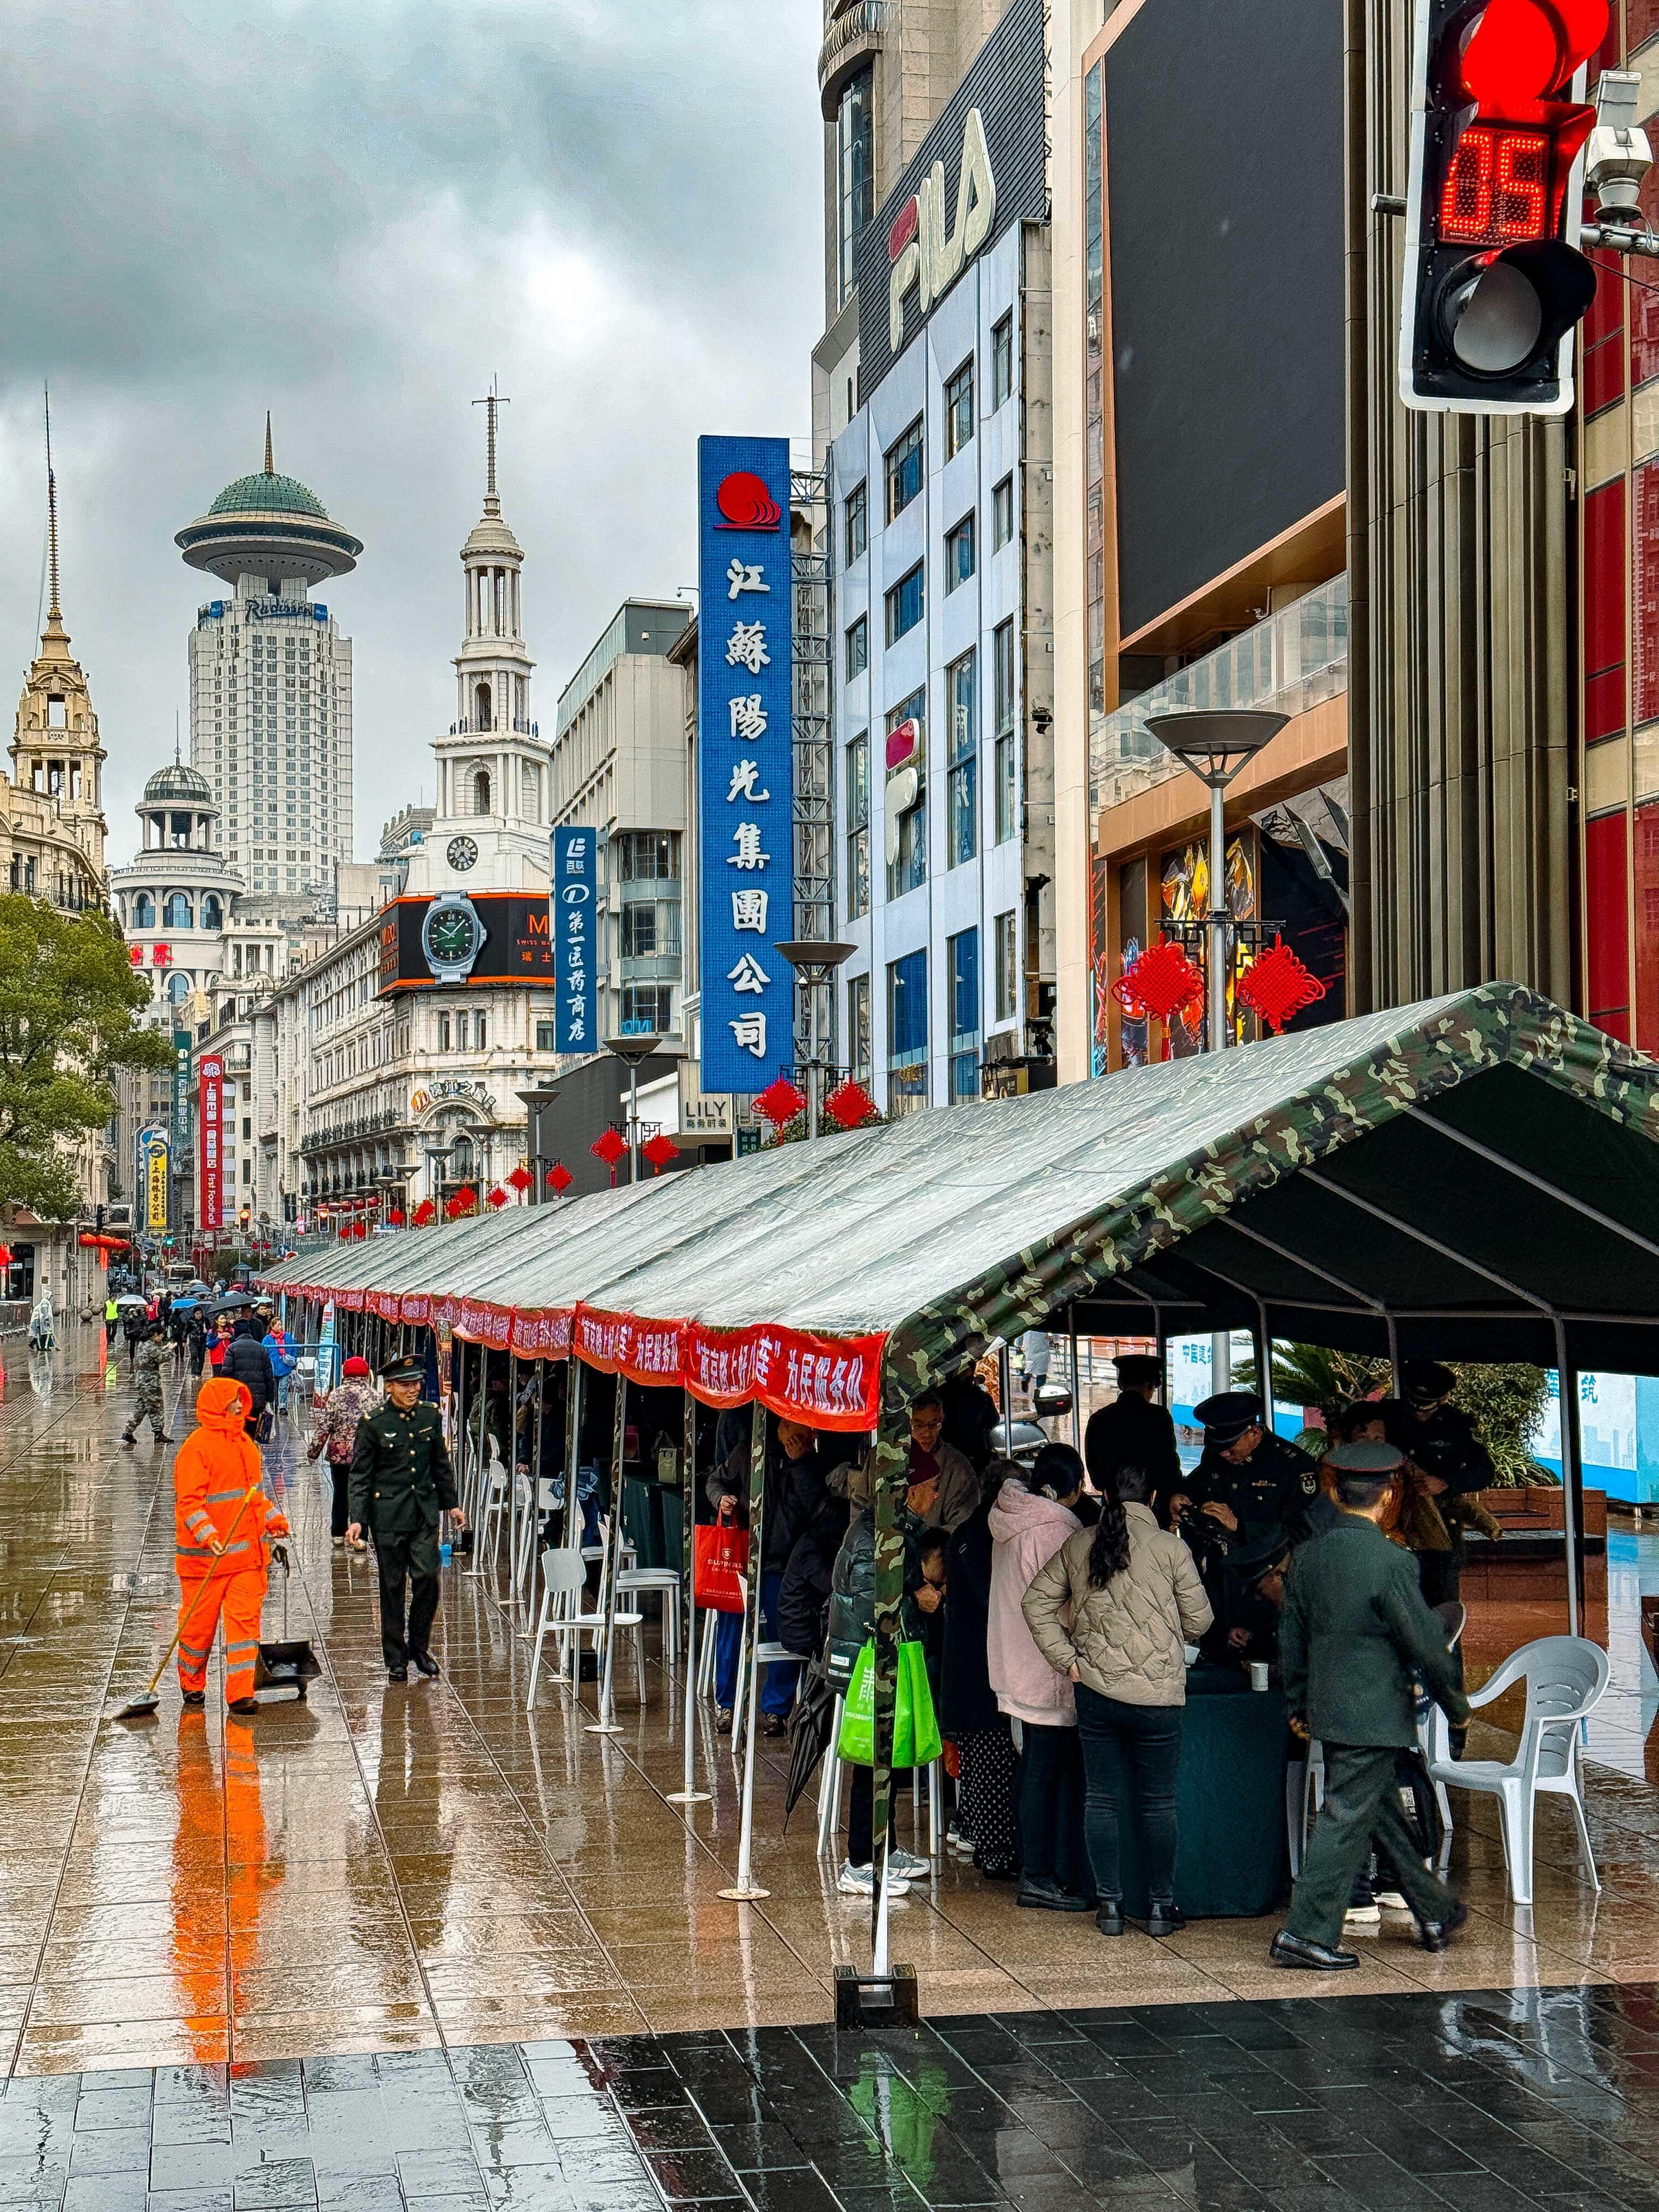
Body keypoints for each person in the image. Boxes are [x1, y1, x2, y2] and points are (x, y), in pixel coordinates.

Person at [1269, 1440, 1470, 1971]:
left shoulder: (1308, 1557)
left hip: (1330, 1710)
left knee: (1378, 1810)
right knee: (1345, 1817)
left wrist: (1299, 1702)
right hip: (1374, 1715)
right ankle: (1305, 1932)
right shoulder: (1393, 1562)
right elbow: (1426, 1643)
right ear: (1386, 1499)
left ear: (1334, 1493)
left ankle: (1434, 1911)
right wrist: (1456, 1704)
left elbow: (1291, 1636)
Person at [1024, 1460, 1212, 1937]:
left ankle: (1109, 1907)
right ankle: (1159, 1908)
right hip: (1158, 1699)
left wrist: (1069, 1661)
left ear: (1104, 1496)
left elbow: (1035, 1604)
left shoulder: (1079, 1544)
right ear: (1151, 1500)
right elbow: (1201, 1622)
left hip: (1096, 1694)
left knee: (1101, 1799)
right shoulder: (1172, 1549)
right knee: (1157, 1803)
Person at [987, 1442, 1091, 1910]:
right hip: (1048, 1666)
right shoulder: (1052, 1530)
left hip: (1014, 1659)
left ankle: (1036, 1866)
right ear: (1071, 1488)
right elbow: (1066, 1603)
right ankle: (1039, 1874)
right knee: (1046, 1772)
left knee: (1032, 1768)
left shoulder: (1011, 1517)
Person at [825, 1488, 933, 1899]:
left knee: (882, 1756)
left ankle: (883, 1850)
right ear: (910, 1491)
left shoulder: (892, 1529)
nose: (937, 1494)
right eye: (932, 1486)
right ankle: (860, 1863)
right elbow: (877, 1611)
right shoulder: (873, 1539)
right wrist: (915, 1600)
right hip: (867, 1667)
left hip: (876, 1662)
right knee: (870, 1758)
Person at [172, 1375, 290, 1713]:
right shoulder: (196, 1448)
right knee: (197, 1630)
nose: (240, 1406)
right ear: (216, 1406)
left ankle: (240, 1693)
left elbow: (254, 1498)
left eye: (241, 1401)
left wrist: (272, 1519)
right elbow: (189, 1503)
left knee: (245, 1624)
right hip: (204, 1562)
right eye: (232, 1402)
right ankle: (192, 1685)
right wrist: (208, 1535)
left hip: (246, 1560)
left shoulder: (246, 1447)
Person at [346, 1352, 465, 1683]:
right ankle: (396, 1658)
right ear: (389, 1388)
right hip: (389, 1517)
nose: (413, 1390)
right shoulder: (374, 1424)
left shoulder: (430, 1416)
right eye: (405, 1385)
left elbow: (441, 1463)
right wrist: (358, 1519)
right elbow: (360, 1476)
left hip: (424, 1513)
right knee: (393, 1587)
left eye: (416, 1384)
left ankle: (420, 1647)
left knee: (428, 1578)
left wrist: (451, 1504)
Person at [708, 1413, 824, 1734]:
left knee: (785, 1633)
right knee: (731, 1632)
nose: (798, 1439)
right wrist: (723, 1500)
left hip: (785, 1562)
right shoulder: (747, 1452)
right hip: (743, 1558)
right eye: (794, 1431)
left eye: (805, 1434)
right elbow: (715, 1482)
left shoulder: (810, 1463)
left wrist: (799, 1464)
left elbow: (812, 1507)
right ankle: (727, 1705)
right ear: (781, 1427)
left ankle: (776, 1710)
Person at [940, 1463, 1021, 1877]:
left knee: (981, 1762)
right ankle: (992, 1849)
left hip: (972, 1670)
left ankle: (977, 1831)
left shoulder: (971, 1532)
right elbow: (991, 1602)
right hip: (983, 1670)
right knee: (990, 1759)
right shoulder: (986, 1536)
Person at [1173, 1390, 1321, 1555]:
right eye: (1217, 1447)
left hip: (1265, 1568)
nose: (1224, 1454)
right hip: (1218, 1568)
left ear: (1254, 1433)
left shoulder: (1294, 1466)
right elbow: (1199, 1482)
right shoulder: (1217, 1456)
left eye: (1230, 1447)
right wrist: (1180, 1497)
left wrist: (1240, 1526)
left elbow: (1303, 1532)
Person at [1084, 1354, 1181, 1504]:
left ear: (1121, 1383)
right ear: (1149, 1386)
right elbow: (1169, 1469)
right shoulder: (1158, 1417)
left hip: (1111, 1504)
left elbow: (1096, 1475)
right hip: (1151, 1504)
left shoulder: (1099, 1418)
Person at [308, 1354, 377, 1549]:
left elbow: (325, 1426)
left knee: (340, 1492)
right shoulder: (374, 1395)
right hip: (366, 1455)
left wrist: (313, 1452)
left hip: (340, 1454)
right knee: (363, 1493)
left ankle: (338, 1533)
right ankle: (362, 1536)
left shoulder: (336, 1395)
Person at [222, 1319, 275, 1443]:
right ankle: (249, 1449)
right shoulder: (261, 1348)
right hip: (257, 1398)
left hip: (239, 1397)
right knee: (252, 1429)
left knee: (238, 1427)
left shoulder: (232, 1348)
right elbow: (268, 1375)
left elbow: (226, 1374)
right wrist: (269, 1399)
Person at [122, 1323, 174, 1448]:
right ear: (155, 1334)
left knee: (141, 1408)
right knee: (156, 1407)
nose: (162, 1338)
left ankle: (128, 1431)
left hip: (143, 1381)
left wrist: (164, 1348)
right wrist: (171, 1351)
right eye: (161, 1335)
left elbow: (155, 1355)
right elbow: (161, 1358)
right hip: (150, 1381)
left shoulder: (144, 1343)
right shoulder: (150, 1345)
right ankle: (158, 1433)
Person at [262, 1317, 298, 1419]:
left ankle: (283, 1407)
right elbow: (264, 1352)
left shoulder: (288, 1337)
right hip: (273, 1367)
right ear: (272, 1326)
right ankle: (274, 1404)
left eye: (280, 1324)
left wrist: (293, 1359)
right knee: (273, 1388)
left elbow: (294, 1349)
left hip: (285, 1367)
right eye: (277, 1325)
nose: (280, 1327)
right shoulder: (268, 1339)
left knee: (283, 1388)